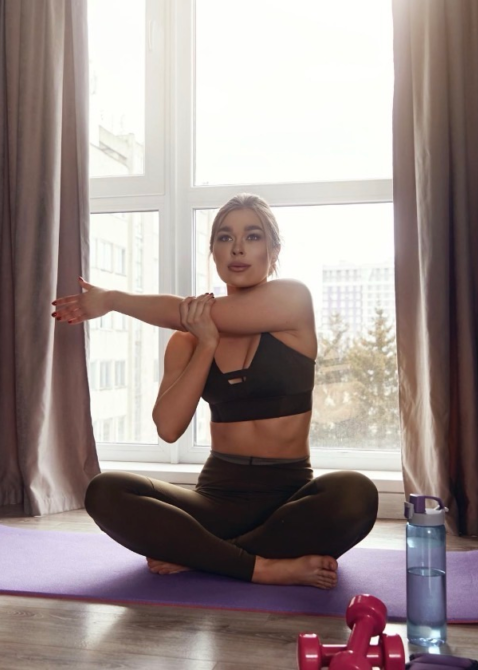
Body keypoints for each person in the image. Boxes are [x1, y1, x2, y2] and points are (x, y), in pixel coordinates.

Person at [51, 193, 378, 589]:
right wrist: (205, 344)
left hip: (290, 499)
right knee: (105, 491)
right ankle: (262, 566)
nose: (238, 248)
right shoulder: (187, 340)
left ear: (273, 251)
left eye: (252, 236)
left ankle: (207, 555)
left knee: (355, 493)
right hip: (216, 497)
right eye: (224, 238)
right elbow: (168, 428)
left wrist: (114, 300)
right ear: (213, 252)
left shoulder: (292, 300)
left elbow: (190, 312)